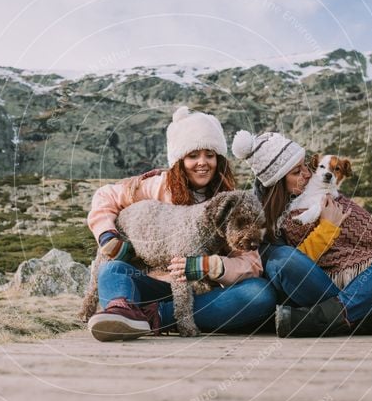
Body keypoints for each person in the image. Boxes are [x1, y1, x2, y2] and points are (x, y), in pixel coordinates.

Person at [85, 107, 277, 342]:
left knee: (259, 294)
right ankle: (124, 309)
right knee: (110, 270)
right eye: (193, 155)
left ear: (219, 159)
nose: (202, 163)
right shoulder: (156, 186)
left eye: (210, 154)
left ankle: (145, 317)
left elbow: (252, 265)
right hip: (146, 282)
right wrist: (107, 236)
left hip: (196, 294)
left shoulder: (231, 201)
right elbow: (105, 196)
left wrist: (210, 265)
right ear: (180, 159)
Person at [231, 130, 372, 337]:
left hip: (354, 282)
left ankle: (315, 320)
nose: (308, 174)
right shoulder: (258, 220)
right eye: (297, 172)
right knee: (282, 260)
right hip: (308, 287)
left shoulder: (321, 194)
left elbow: (364, 248)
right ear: (277, 183)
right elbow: (289, 268)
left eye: (305, 166)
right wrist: (327, 228)